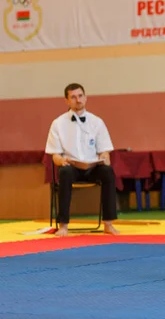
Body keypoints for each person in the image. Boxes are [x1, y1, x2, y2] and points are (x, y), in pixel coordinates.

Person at [45, 83, 120, 237]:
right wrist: (61, 161)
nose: (77, 100)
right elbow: (55, 155)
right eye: (73, 97)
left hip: (92, 167)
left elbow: (105, 150)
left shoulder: (97, 122)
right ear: (67, 101)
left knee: (107, 171)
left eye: (80, 96)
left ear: (85, 98)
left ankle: (108, 223)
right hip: (71, 167)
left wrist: (104, 158)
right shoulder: (58, 124)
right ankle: (63, 225)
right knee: (64, 172)